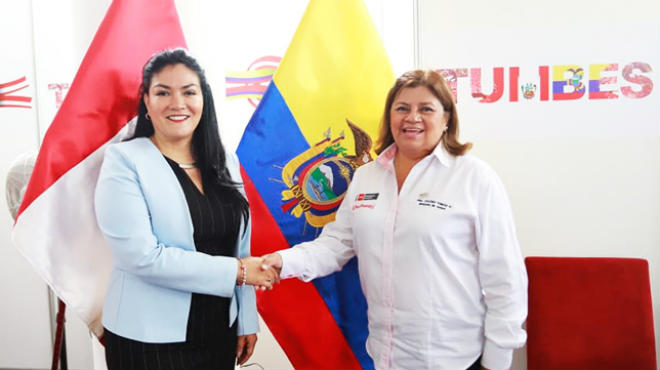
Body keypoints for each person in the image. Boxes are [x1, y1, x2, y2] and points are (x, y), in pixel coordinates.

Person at [261, 70, 528, 370]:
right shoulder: (366, 176)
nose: (412, 117)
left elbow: (505, 278)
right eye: (402, 108)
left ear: (447, 119)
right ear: (390, 116)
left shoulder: (474, 178)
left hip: (455, 359)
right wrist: (281, 262)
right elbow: (336, 245)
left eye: (426, 109)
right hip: (385, 357)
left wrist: (497, 362)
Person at [94, 48, 278, 370]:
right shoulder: (124, 161)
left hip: (219, 333)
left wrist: (246, 319)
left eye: (189, 92)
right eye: (163, 92)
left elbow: (240, 246)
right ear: (147, 103)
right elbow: (143, 257)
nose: (177, 103)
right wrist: (238, 271)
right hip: (146, 339)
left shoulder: (225, 161)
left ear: (203, 99)